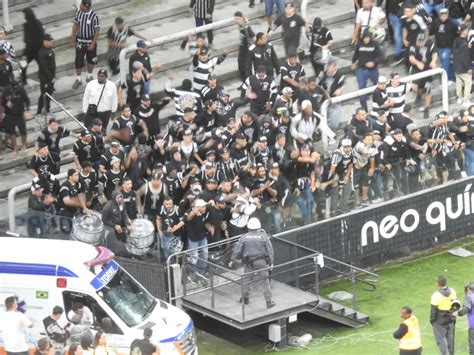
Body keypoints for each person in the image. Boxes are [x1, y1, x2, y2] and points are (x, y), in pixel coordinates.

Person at [229, 217, 275, 308]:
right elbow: (270, 250)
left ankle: (245, 299)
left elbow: (237, 250)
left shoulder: (244, 237)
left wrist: (233, 260)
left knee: (247, 281)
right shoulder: (263, 236)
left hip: (249, 263)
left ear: (248, 227)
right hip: (261, 262)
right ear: (258, 227)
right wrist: (270, 262)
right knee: (265, 282)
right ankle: (268, 302)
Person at [71, 0, 100, 89]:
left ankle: (89, 76)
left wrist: (93, 43)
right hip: (80, 41)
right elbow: (75, 25)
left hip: (90, 41)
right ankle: (78, 79)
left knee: (91, 59)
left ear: (86, 6)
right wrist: (73, 39)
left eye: (81, 5)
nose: (79, 6)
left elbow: (97, 30)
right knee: (78, 59)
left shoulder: (94, 16)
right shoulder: (79, 13)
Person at [351, 30, 383, 111]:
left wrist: (374, 62)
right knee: (362, 89)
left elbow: (381, 56)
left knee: (379, 87)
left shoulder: (375, 44)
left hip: (373, 70)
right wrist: (353, 62)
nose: (366, 39)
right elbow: (356, 54)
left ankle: (380, 104)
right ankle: (364, 109)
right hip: (361, 69)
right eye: (365, 38)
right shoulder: (359, 44)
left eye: (367, 38)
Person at [408, 33, 437, 118]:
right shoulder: (413, 46)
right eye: (419, 41)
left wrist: (433, 61)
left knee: (428, 89)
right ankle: (419, 93)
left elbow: (434, 55)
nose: (420, 43)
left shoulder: (430, 44)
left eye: (422, 41)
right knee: (414, 87)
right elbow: (411, 58)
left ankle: (426, 109)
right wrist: (417, 63)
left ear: (425, 40)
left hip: (427, 68)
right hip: (416, 68)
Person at [430, 275, 457, 355]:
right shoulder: (452, 291)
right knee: (450, 339)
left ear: (438, 284)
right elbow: (455, 305)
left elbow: (433, 312)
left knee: (441, 340)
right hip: (451, 319)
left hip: (440, 321)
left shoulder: (436, 295)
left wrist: (432, 322)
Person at [430, 8, 458, 83]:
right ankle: (451, 78)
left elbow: (457, 32)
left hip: (448, 47)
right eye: (442, 16)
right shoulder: (436, 22)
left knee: (445, 64)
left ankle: (444, 80)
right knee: (446, 63)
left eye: (445, 15)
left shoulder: (452, 22)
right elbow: (431, 31)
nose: (443, 17)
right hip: (439, 46)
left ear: (447, 15)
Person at [2, 80, 30, 153]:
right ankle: (15, 148)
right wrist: (6, 104)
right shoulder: (6, 91)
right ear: (11, 86)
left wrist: (27, 110)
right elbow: (2, 102)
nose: (16, 88)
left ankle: (23, 145)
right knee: (12, 132)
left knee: (23, 130)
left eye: (16, 87)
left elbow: (27, 100)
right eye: (14, 87)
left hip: (20, 113)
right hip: (9, 114)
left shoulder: (21, 90)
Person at [21, 7, 44, 85]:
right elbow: (42, 35)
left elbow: (27, 40)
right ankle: (45, 81)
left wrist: (24, 54)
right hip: (39, 49)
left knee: (23, 64)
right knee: (43, 67)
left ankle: (24, 80)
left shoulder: (26, 25)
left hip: (30, 51)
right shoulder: (38, 23)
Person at [37, 34, 56, 116]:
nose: (52, 42)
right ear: (45, 42)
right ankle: (39, 111)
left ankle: (47, 109)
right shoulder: (41, 52)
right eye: (50, 41)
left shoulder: (50, 49)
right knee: (44, 94)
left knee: (50, 93)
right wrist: (50, 78)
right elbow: (43, 67)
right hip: (45, 77)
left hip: (51, 76)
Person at [234, 12, 255, 86]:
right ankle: (244, 83)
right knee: (240, 66)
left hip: (247, 50)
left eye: (238, 19)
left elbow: (253, 38)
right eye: (236, 19)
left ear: (242, 18)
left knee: (246, 68)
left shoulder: (247, 27)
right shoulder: (240, 26)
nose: (237, 21)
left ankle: (248, 84)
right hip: (242, 48)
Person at [453, 24, 472, 108]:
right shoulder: (464, 44)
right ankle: (466, 100)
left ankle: (459, 98)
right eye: (466, 30)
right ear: (463, 32)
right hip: (463, 68)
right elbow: (464, 58)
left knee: (459, 82)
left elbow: (457, 53)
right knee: (468, 82)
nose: (467, 32)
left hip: (456, 67)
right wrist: (468, 68)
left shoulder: (456, 40)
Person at [455, 281, 474, 355]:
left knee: (472, 348)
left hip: (473, 326)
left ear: (469, 289)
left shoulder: (469, 297)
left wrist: (458, 313)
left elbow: (466, 309)